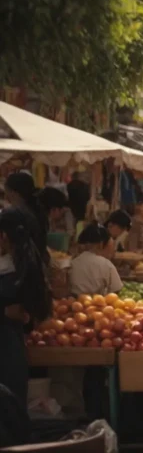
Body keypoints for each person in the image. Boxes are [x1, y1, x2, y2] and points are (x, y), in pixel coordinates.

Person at [0, 208, 52, 413]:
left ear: (3, 235)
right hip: (13, 351)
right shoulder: (29, 266)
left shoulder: (9, 271)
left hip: (6, 348)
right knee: (12, 414)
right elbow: (33, 314)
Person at [68, 225, 122, 297]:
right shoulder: (106, 264)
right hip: (96, 305)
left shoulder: (72, 263)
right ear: (101, 245)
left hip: (75, 304)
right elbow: (116, 290)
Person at [3, 173, 49, 256]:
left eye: (7, 193)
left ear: (14, 193)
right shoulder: (36, 209)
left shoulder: (14, 213)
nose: (6, 197)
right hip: (41, 261)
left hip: (25, 265)